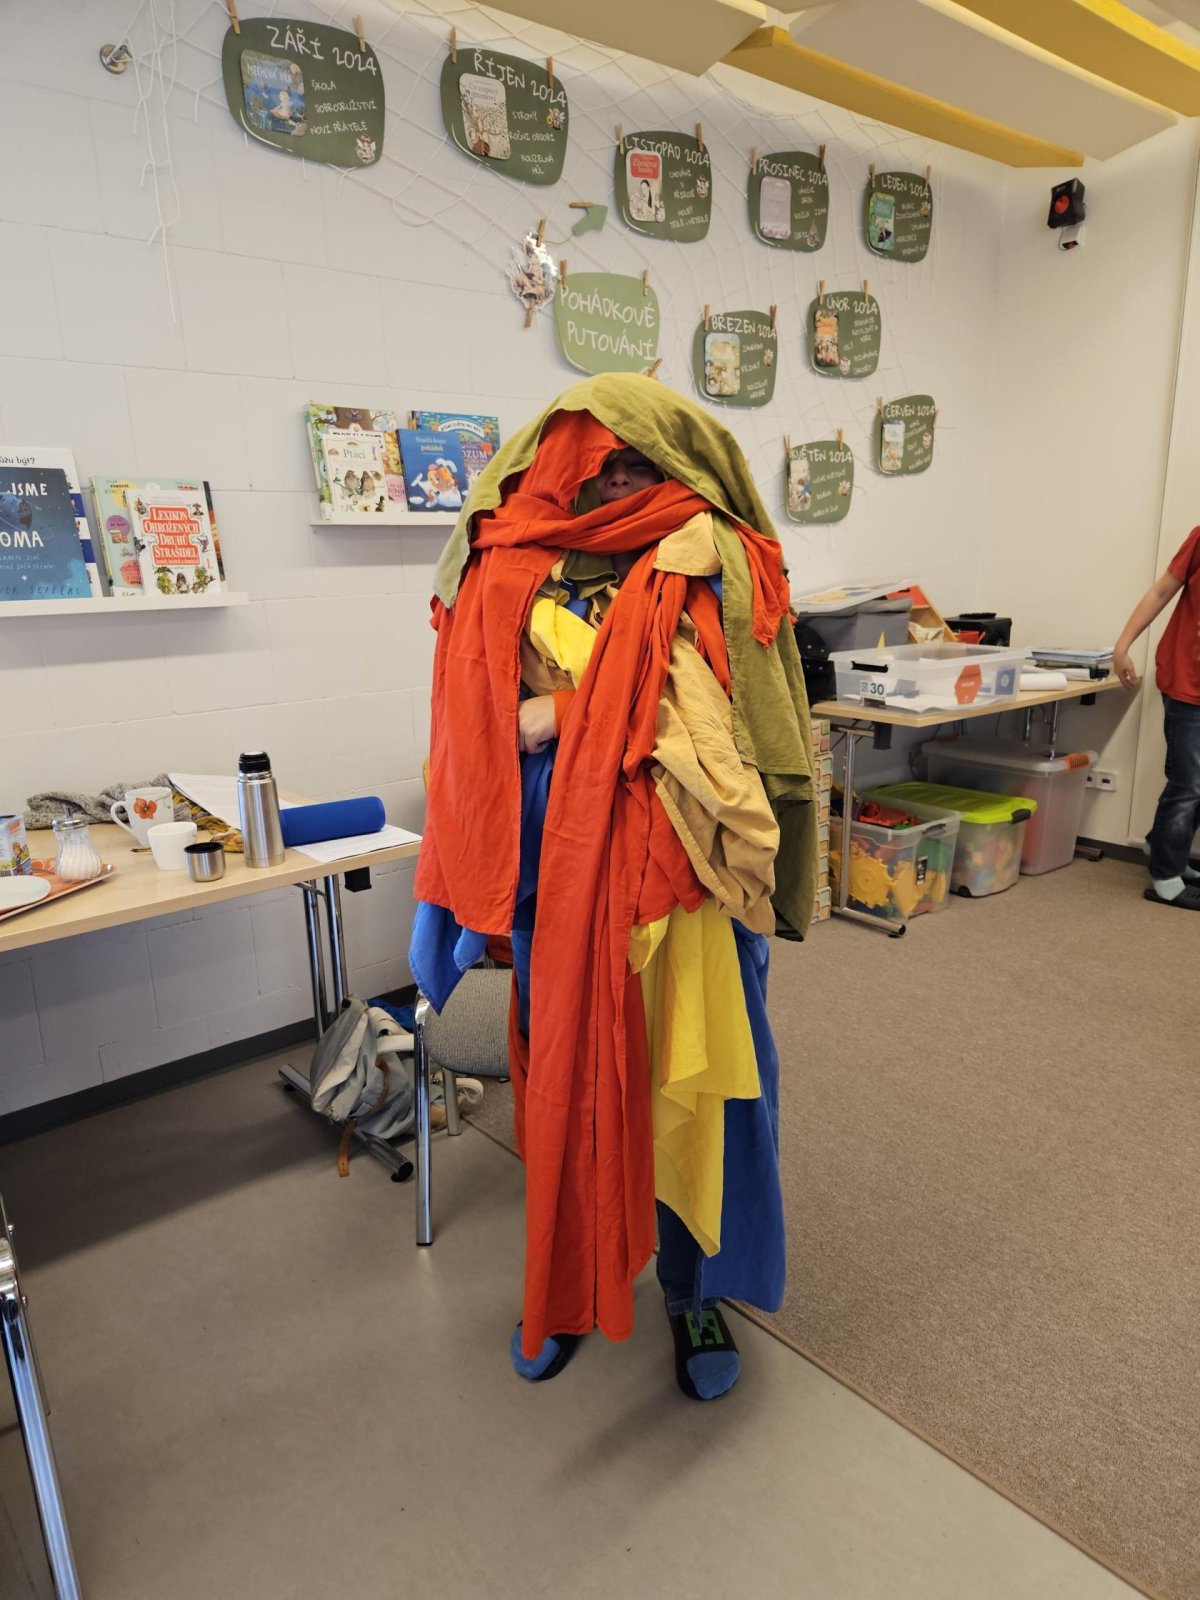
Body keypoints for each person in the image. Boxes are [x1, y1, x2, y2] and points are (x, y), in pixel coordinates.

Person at [411, 374, 818, 1402]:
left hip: (689, 890)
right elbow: (473, 725)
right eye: (605, 467)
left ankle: (694, 1290)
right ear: (570, 471)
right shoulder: (509, 565)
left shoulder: (719, 563)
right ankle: (563, 1286)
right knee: (569, 1089)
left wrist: (564, 713)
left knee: (700, 1094)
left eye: (644, 463)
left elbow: (734, 725)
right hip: (559, 881)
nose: (624, 482)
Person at [1113, 524, 1200, 910]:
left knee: (1194, 781)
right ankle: (1166, 874)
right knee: (1189, 782)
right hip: (1186, 680)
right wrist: (1122, 646)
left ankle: (1163, 845)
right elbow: (1162, 590)